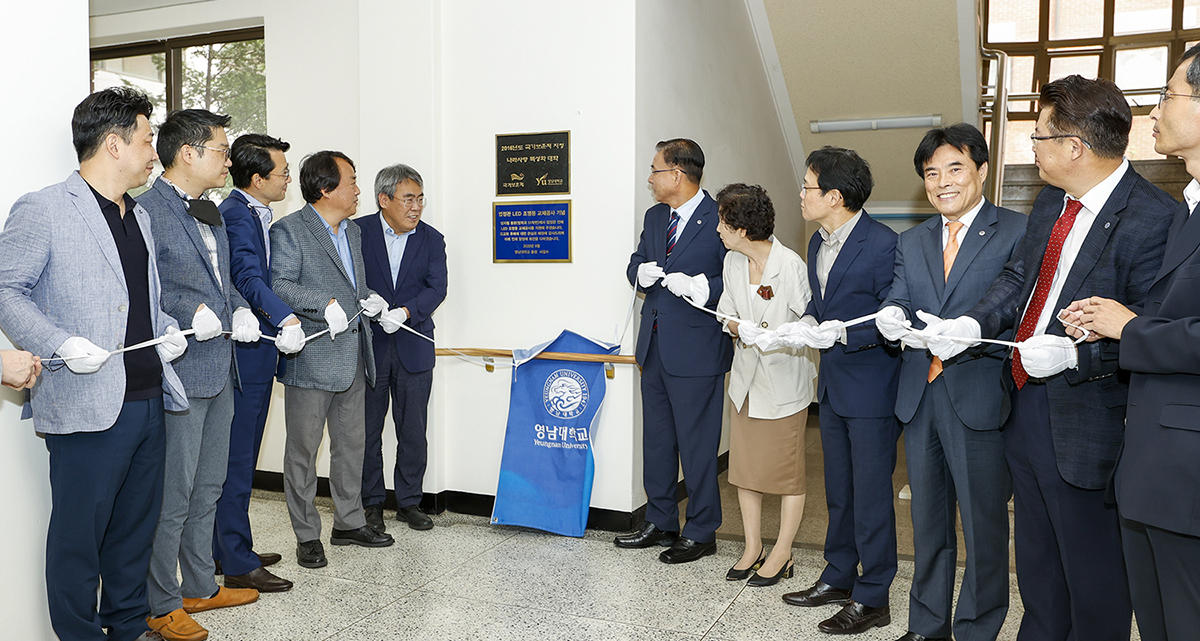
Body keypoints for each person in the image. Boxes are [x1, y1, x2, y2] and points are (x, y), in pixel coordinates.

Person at [923, 75, 1176, 641]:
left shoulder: (1154, 219)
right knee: (1036, 560)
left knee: (1094, 573)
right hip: (1025, 400)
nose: (1029, 148)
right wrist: (972, 324)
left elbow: (1150, 330)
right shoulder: (1050, 203)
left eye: (1038, 137)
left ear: (1074, 147)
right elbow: (1021, 278)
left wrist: (1073, 358)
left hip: (1090, 418)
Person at [0, 86, 189, 641]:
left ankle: (129, 628)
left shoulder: (142, 218)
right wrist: (58, 343)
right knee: (78, 539)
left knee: (134, 532)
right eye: (149, 139)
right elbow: (7, 291)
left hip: (149, 396)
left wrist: (167, 332)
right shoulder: (45, 208)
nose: (155, 152)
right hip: (86, 404)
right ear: (113, 143)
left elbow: (142, 302)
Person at [1065, 43, 1200, 641]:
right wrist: (1110, 321)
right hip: (1154, 467)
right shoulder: (1190, 208)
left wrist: (1131, 327)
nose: (1155, 112)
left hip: (1187, 475)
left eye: (1169, 96)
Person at [875, 124, 1026, 641]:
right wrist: (890, 318)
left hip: (979, 394)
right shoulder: (911, 240)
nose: (942, 182)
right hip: (921, 394)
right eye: (931, 173)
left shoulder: (1016, 230)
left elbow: (1013, 307)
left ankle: (978, 628)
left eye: (954, 168)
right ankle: (927, 625)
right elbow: (898, 295)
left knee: (983, 526)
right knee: (927, 522)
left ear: (982, 171)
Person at [136, 109, 264, 641]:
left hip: (221, 364)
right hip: (180, 369)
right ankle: (161, 600)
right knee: (175, 492)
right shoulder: (145, 211)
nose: (228, 159)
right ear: (187, 153)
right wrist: (191, 315)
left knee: (210, 485)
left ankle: (199, 585)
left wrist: (239, 309)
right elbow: (145, 290)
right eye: (220, 149)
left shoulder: (211, 209)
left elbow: (221, 280)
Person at [778, 146, 901, 636]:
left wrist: (845, 332)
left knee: (872, 497)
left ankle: (874, 599)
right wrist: (810, 320)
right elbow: (824, 303)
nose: (802, 195)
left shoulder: (884, 243)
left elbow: (896, 315)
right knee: (841, 493)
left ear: (834, 195)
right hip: (831, 387)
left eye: (807, 187)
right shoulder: (816, 241)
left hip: (872, 389)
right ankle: (838, 576)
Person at [271, 150, 394, 569]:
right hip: (312, 359)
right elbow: (279, 285)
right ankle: (307, 534)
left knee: (351, 447)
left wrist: (369, 301)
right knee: (302, 453)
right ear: (325, 189)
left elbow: (353, 285)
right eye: (352, 182)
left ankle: (349, 522)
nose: (359, 190)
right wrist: (322, 303)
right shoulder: (289, 231)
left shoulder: (354, 233)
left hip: (354, 355)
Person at [618, 138, 733, 564]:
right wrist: (639, 272)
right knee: (658, 440)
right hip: (655, 346)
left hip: (699, 351)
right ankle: (661, 519)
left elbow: (738, 278)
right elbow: (636, 262)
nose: (649, 179)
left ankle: (702, 529)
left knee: (698, 446)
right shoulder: (654, 217)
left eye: (655, 170)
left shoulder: (720, 215)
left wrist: (706, 288)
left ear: (677, 175)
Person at [712, 183, 816, 587]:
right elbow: (724, 311)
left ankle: (784, 551)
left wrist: (781, 334)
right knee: (746, 471)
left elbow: (811, 320)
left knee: (787, 475)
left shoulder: (789, 264)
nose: (718, 229)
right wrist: (740, 327)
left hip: (784, 381)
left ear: (741, 227)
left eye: (723, 221)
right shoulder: (732, 262)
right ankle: (752, 547)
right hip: (746, 383)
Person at [214, 133, 302, 594]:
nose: (288, 178)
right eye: (282, 172)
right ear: (256, 178)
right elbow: (246, 275)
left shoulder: (255, 213)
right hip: (246, 354)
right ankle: (235, 558)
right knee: (238, 457)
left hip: (259, 350)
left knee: (240, 457)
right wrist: (284, 315)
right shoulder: (236, 215)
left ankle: (226, 546)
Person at [355, 164, 447, 533]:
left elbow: (436, 288)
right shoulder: (356, 233)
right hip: (370, 346)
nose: (416, 207)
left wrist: (406, 312)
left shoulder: (432, 239)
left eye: (420, 198)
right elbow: (349, 278)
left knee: (413, 429)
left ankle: (409, 502)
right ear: (384, 199)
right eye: (408, 198)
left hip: (414, 344)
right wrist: (369, 300)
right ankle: (372, 502)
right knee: (367, 429)